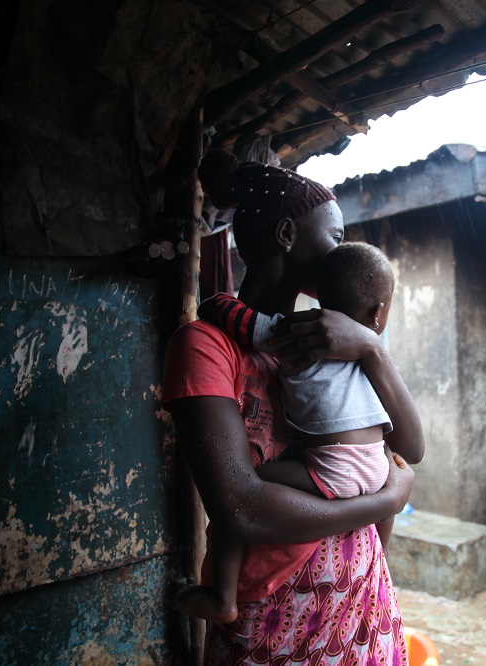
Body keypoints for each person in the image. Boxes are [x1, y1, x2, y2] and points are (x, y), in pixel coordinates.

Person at [161, 148, 425, 664]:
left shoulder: (339, 342)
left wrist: (371, 349)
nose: (340, 249)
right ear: (286, 236)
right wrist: (385, 503)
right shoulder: (206, 347)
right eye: (334, 235)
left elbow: (410, 447)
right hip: (273, 611)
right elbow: (240, 509)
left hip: (362, 594)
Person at [175, 241, 401, 625]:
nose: (334, 243)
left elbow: (239, 320)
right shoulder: (362, 352)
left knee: (249, 482)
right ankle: (384, 560)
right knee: (244, 498)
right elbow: (408, 449)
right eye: (332, 231)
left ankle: (221, 595)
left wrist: (215, 303)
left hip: (335, 475)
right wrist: (392, 497)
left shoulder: (301, 334)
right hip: (375, 473)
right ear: (378, 313)